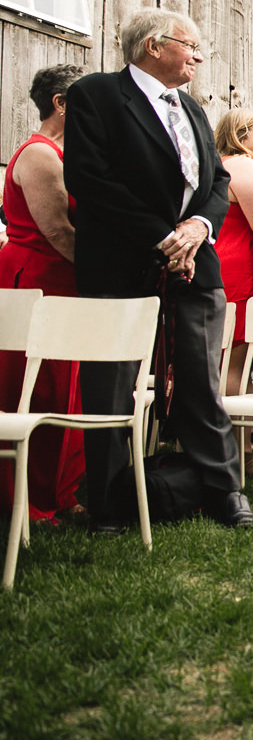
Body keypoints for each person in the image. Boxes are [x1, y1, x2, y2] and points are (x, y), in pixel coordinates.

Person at [64, 8, 253, 531]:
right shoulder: (97, 95)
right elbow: (88, 178)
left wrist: (198, 229)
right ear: (154, 45)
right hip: (121, 265)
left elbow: (217, 183)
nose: (198, 55)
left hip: (197, 266)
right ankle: (107, 506)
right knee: (112, 388)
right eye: (190, 45)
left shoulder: (192, 110)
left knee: (201, 382)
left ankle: (224, 494)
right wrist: (161, 235)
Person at [0, 64, 85, 522]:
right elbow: (57, 230)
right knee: (36, 390)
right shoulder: (39, 155)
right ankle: (29, 499)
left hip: (61, 282)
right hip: (36, 280)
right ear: (61, 103)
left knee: (65, 390)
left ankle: (59, 491)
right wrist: (104, 275)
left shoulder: (66, 155)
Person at [213, 108, 253, 404]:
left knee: (233, 360)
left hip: (224, 265)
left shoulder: (219, 165)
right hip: (245, 270)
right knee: (235, 362)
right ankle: (237, 448)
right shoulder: (244, 165)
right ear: (240, 136)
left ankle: (245, 446)